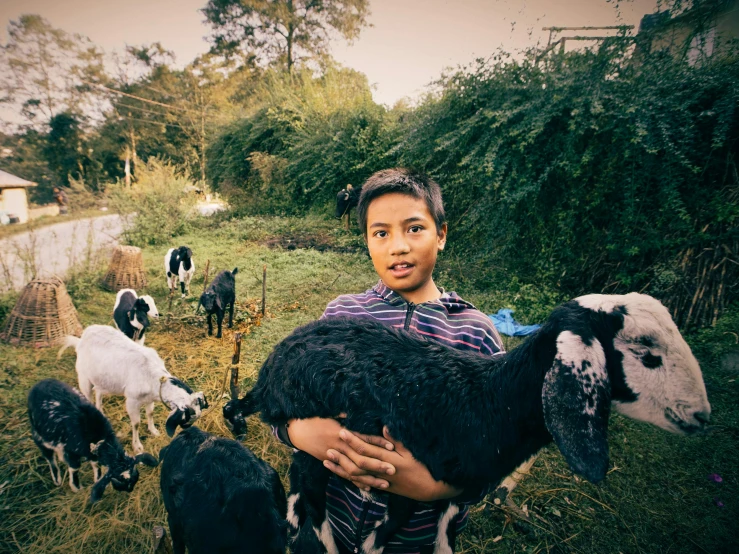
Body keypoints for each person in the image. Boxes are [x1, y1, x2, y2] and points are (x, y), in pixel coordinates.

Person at [277, 168, 504, 553]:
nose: (398, 246)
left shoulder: (474, 335)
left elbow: (499, 448)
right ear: (367, 241)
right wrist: (299, 432)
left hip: (413, 543)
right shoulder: (340, 317)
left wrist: (433, 486)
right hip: (323, 532)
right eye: (381, 233)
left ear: (442, 235)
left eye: (414, 228)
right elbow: (282, 402)